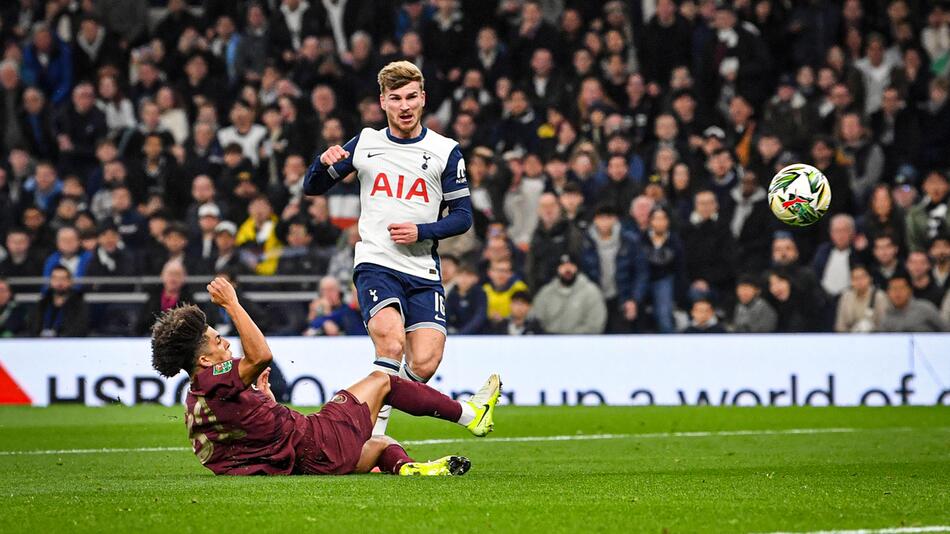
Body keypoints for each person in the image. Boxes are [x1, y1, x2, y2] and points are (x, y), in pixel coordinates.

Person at [150, 277, 501, 476]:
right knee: (383, 381)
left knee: (381, 444)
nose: (225, 342)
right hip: (316, 443)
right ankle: (472, 414)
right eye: (216, 339)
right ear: (205, 357)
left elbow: (242, 446)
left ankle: (409, 470)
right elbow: (261, 355)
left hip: (303, 461)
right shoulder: (215, 378)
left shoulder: (197, 398)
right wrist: (232, 305)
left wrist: (264, 403)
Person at [302, 61, 474, 436]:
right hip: (376, 262)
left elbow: (462, 217)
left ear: (423, 98)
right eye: (395, 98)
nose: (405, 105)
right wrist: (322, 161)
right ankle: (372, 437)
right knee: (391, 341)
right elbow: (313, 187)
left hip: (423, 270)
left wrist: (422, 230)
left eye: (411, 96)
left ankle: (364, 402)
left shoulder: (445, 151)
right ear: (383, 102)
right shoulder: (365, 142)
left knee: (424, 364)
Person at [532, 254, 607, 334]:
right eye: (563, 266)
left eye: (571, 266)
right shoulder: (546, 293)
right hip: (550, 342)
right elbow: (537, 320)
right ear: (557, 269)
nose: (567, 270)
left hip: (582, 342)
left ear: (577, 268)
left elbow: (595, 326)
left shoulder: (591, 292)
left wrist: (570, 338)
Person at [27, 265, 88, 337]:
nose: (59, 282)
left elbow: (80, 328)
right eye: (55, 278)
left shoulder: (79, 304)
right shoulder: (42, 303)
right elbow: (32, 326)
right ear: (50, 281)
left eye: (63, 279)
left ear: (70, 282)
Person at [877, 275, 948, 332]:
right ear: (888, 293)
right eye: (893, 289)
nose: (897, 293)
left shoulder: (925, 308)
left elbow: (946, 329)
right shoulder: (886, 316)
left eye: (901, 288)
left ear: (910, 290)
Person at [835, 264, 889, 333]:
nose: (859, 281)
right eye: (855, 278)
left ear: (870, 279)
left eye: (862, 277)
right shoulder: (846, 297)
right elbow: (840, 325)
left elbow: (885, 325)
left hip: (874, 337)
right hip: (850, 338)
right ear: (851, 282)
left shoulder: (879, 296)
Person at [445, 263, 488, 335]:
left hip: (477, 334)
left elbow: (480, 316)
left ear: (476, 278)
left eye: (468, 275)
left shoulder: (479, 293)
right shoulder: (452, 294)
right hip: (455, 334)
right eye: (460, 275)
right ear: (455, 277)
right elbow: (446, 315)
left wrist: (463, 333)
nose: (464, 279)